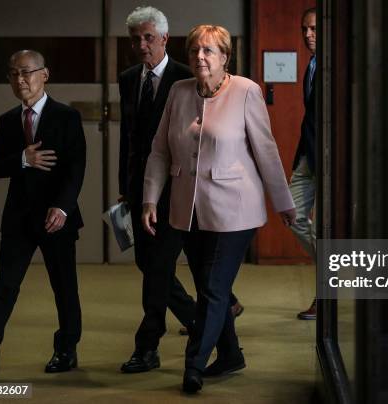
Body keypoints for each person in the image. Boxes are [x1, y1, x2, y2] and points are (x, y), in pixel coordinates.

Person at [142, 24, 296, 393]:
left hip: (235, 209)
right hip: (188, 209)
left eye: (209, 50)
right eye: (195, 49)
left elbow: (266, 150)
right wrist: (150, 198)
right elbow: (160, 151)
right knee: (213, 289)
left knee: (213, 288)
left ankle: (193, 365)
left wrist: (284, 203)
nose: (200, 57)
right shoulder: (179, 92)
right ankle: (230, 354)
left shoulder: (246, 91)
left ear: (225, 57)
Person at [0, 50, 86, 381]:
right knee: (5, 286)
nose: (20, 80)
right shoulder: (7, 120)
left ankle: (66, 349)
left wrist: (62, 207)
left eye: (27, 72)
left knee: (64, 288)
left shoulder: (66, 117)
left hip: (56, 216)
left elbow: (76, 168)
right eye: (13, 74)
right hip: (18, 219)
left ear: (45, 74)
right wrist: (23, 159)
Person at [118, 6, 198, 374]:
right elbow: (129, 140)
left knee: (158, 266)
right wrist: (125, 188)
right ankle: (205, 322)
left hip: (177, 186)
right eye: (136, 39)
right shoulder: (128, 78)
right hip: (140, 189)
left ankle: (147, 346)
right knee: (146, 263)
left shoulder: (185, 78)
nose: (142, 44)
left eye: (149, 37)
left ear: (165, 39)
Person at [292, 7, 318, 321]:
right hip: (306, 156)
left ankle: (325, 297)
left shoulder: (339, 67)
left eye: (313, 29)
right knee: (293, 215)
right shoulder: (311, 65)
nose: (308, 35)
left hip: (329, 159)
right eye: (304, 30)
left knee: (323, 233)